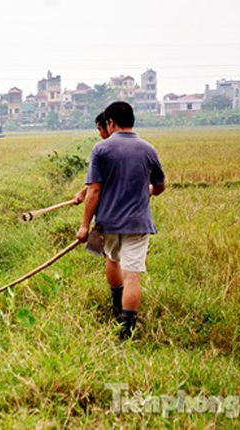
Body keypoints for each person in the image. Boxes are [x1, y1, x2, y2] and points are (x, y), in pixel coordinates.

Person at [76, 102, 165, 340]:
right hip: (138, 223)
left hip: (108, 222)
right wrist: (148, 191)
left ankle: (117, 311)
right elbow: (160, 186)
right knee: (133, 275)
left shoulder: (101, 150)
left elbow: (94, 190)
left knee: (112, 260)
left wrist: (85, 225)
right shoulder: (148, 149)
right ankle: (126, 332)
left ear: (111, 123)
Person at [72, 112, 111, 204]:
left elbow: (95, 188)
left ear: (110, 126)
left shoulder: (102, 150)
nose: (100, 134)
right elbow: (102, 180)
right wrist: (83, 193)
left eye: (100, 129)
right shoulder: (144, 148)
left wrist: (86, 219)